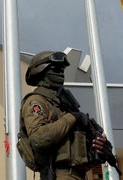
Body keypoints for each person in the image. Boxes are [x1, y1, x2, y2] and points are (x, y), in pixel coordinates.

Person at [19, 50, 112, 180]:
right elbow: (39, 138)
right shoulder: (37, 101)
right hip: (58, 174)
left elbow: (81, 151)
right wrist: (73, 117)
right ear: (42, 71)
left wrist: (100, 146)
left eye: (62, 68)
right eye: (57, 68)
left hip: (79, 174)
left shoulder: (64, 105)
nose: (61, 72)